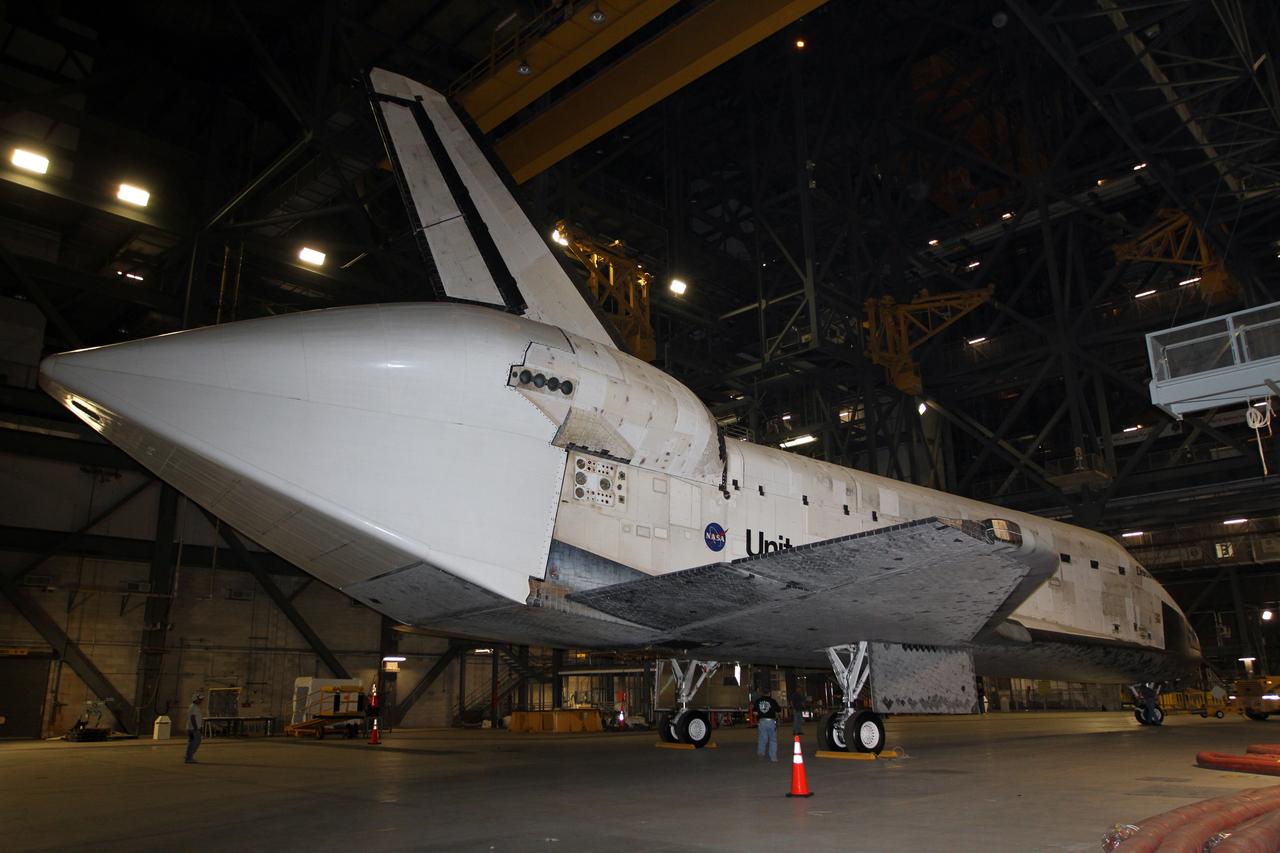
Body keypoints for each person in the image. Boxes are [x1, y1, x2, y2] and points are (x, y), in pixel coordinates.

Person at [754, 688, 781, 762]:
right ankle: (773, 757)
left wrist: (760, 714)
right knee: (773, 739)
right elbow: (779, 710)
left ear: (762, 693)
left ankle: (761, 752)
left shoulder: (758, 701)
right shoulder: (773, 701)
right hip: (771, 721)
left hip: (762, 721)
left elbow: (755, 713)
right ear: (769, 693)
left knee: (762, 738)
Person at [185, 692, 205, 764]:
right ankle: (189, 757)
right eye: (200, 699)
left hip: (191, 728)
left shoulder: (193, 707)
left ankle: (188, 757)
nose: (201, 701)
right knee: (195, 743)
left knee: (191, 743)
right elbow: (193, 718)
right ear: (195, 699)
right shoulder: (194, 707)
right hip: (193, 729)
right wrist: (196, 728)